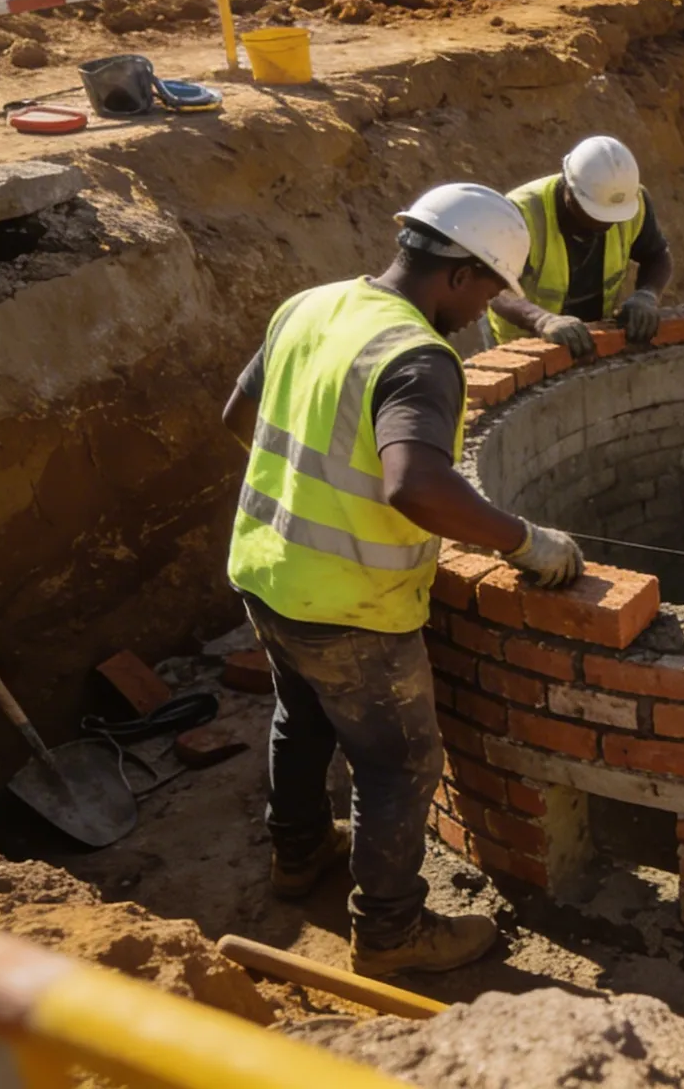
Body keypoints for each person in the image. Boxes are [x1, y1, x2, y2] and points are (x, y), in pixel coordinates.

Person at [222, 183, 585, 977]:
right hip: (351, 604)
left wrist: (311, 494)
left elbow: (238, 419)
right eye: (488, 287)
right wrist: (524, 541)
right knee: (399, 762)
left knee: (301, 717)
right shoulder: (418, 357)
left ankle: (298, 855)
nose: (487, 306)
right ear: (457, 273)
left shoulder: (310, 306)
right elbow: (416, 487)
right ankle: (391, 933)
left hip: (263, 569)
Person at [488, 135, 674, 355]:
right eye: (594, 215)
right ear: (569, 189)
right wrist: (541, 320)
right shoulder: (521, 214)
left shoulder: (631, 202)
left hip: (593, 339)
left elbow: (656, 255)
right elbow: (491, 288)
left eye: (611, 219)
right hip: (523, 346)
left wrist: (647, 295)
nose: (604, 225)